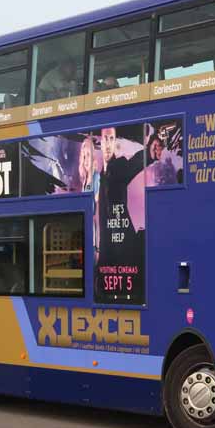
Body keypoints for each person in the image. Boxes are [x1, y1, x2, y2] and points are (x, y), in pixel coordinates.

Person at [95, 127, 146, 302]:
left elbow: (134, 164)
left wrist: (150, 154)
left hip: (123, 248)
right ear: (100, 143)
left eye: (111, 139)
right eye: (105, 139)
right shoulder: (101, 174)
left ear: (115, 142)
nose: (108, 143)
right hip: (107, 250)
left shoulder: (119, 165)